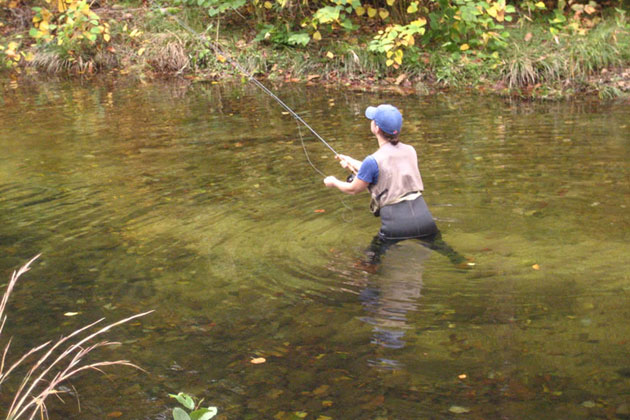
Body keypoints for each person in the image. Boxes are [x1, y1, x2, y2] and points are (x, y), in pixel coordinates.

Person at [324, 104, 468, 267]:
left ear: (376, 128)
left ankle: (370, 287)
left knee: (370, 260)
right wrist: (350, 161)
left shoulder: (372, 161)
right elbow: (386, 169)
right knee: (443, 248)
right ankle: (463, 264)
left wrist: (333, 182)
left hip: (396, 224)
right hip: (423, 217)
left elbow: (353, 189)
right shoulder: (410, 151)